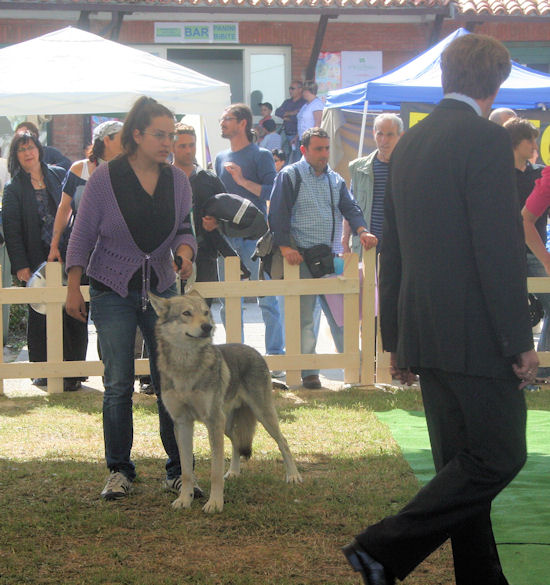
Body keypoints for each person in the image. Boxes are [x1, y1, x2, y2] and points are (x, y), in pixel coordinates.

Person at [342, 34, 537, 585]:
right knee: (499, 456)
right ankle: (381, 548)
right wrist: (520, 338)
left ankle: (480, 578)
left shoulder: (409, 145)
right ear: (497, 84)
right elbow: (497, 247)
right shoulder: (486, 141)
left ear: (445, 76)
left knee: (461, 467)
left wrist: (398, 337)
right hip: (476, 332)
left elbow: (393, 245)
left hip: (426, 330)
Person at [64, 96, 197, 500]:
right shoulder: (105, 179)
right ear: (136, 135)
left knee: (168, 381)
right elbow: (83, 233)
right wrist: (73, 286)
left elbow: (185, 229)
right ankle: (119, 471)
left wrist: (186, 253)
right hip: (111, 288)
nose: (168, 143)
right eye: (160, 134)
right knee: (118, 381)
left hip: (160, 287)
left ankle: (178, 470)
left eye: (172, 135)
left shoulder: (178, 180)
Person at [269, 127, 376, 389]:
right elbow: (277, 214)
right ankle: (309, 373)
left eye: (327, 148)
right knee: (305, 319)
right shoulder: (290, 175)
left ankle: (355, 369)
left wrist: (362, 230)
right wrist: (285, 248)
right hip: (300, 258)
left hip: (330, 259)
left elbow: (350, 207)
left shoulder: (335, 179)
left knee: (343, 316)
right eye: (318, 149)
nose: (324, 154)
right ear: (304, 150)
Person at [2, 131, 88, 391]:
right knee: (41, 317)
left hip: (66, 255)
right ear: (16, 156)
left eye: (31, 147)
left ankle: (74, 371)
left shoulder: (58, 174)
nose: (28, 153)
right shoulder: (13, 188)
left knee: (73, 310)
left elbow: (73, 210)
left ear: (39, 149)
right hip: (35, 259)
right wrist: (21, 266)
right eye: (22, 150)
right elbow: (12, 230)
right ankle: (42, 370)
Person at [214, 103, 284, 361]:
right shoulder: (220, 158)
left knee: (266, 300)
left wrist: (243, 181)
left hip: (257, 239)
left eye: (227, 119)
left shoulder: (261, 155)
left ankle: (276, 357)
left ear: (242, 123)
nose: (222, 123)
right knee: (228, 303)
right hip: (227, 239)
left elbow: (273, 193)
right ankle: (235, 357)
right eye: (222, 119)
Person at [504, 118, 550, 380]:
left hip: (534, 252)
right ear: (515, 143)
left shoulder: (539, 174)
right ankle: (512, 367)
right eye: (529, 140)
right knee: (508, 308)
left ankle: (543, 366)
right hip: (504, 254)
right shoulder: (494, 176)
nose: (535, 144)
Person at [48, 120, 123, 263]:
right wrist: (54, 244)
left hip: (115, 250)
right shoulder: (78, 169)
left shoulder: (128, 173)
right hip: (80, 246)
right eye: (122, 139)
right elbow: (64, 209)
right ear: (107, 140)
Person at [172, 122, 227, 296]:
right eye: (182, 146)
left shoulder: (209, 179)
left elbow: (227, 212)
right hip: (170, 257)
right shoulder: (161, 178)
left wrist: (216, 222)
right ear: (172, 147)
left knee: (201, 314)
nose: (188, 150)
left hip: (205, 254)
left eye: (192, 145)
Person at [343, 113, 403, 257]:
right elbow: (351, 207)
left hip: (398, 247)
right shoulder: (359, 168)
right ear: (374, 134)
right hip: (366, 245)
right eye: (380, 134)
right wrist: (344, 241)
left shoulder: (409, 167)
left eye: (390, 135)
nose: (384, 140)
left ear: (400, 136)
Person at [275, 80, 306, 161]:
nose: (290, 91)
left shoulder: (304, 103)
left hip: (296, 135)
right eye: (289, 88)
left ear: (300, 90)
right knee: (283, 157)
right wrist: (292, 113)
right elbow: (277, 112)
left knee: (296, 158)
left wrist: (287, 116)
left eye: (292, 88)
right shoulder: (287, 102)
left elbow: (299, 119)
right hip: (285, 133)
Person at [296, 80, 324, 148]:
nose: (303, 93)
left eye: (304, 91)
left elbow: (318, 123)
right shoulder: (306, 105)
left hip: (310, 140)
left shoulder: (317, 104)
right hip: (302, 138)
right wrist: (297, 136)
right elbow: (301, 122)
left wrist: (313, 138)